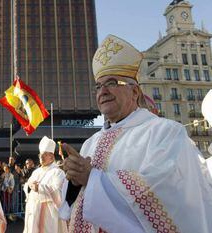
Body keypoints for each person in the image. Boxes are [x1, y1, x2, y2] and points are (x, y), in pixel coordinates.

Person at [62, 34, 212, 232]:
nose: (103, 91)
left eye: (112, 83)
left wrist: (93, 178)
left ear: (135, 92)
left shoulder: (165, 132)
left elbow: (169, 191)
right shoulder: (91, 142)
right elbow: (75, 202)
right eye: (98, 86)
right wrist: (73, 181)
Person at [23, 136, 67, 233]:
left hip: (49, 215)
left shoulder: (58, 172)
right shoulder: (36, 172)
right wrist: (28, 186)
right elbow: (27, 186)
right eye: (40, 154)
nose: (41, 157)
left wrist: (40, 188)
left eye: (45, 154)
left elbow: (59, 193)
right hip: (33, 212)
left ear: (52, 156)